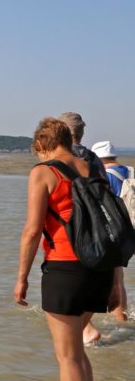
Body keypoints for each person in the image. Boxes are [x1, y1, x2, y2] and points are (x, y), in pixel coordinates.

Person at [14, 117, 116, 381]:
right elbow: (109, 228)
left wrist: (22, 278)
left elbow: (32, 231)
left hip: (65, 269)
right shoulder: (93, 169)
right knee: (78, 350)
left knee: (67, 356)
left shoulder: (43, 172)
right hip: (99, 270)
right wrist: (116, 284)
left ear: (43, 145)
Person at [58, 112, 121, 343]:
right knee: (99, 276)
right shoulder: (94, 159)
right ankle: (88, 326)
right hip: (100, 230)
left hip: (70, 230)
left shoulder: (61, 158)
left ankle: (84, 330)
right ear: (82, 133)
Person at [94, 140, 129, 322]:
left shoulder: (104, 175)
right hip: (131, 232)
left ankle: (120, 322)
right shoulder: (129, 171)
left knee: (113, 280)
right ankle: (122, 317)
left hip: (115, 231)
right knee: (118, 277)